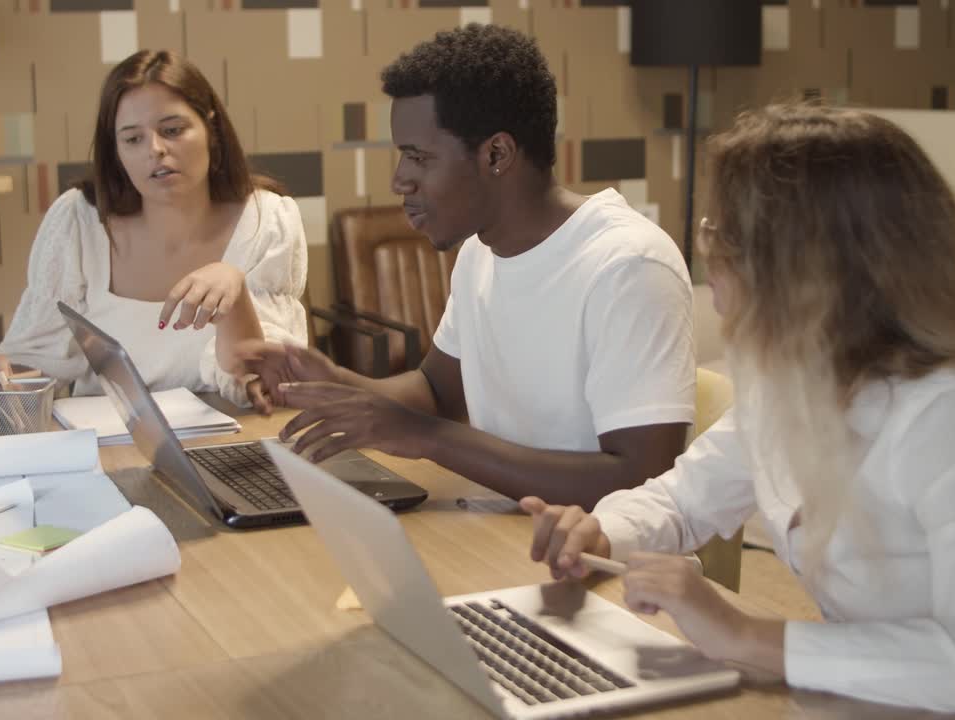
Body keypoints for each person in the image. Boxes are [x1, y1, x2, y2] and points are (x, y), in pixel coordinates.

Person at [523, 104, 955, 719]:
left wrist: (745, 634)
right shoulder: (796, 381)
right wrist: (602, 531)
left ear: (801, 271)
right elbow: (684, 500)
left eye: (719, 240)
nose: (711, 267)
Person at [243, 24, 695, 510]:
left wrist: (428, 438)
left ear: (496, 154)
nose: (399, 181)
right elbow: (436, 393)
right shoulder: (479, 253)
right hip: (504, 528)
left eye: (418, 157)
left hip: (597, 551)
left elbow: (641, 481)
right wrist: (335, 381)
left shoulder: (628, 267)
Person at [0, 49, 307, 411]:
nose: (155, 150)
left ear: (211, 129)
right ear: (116, 151)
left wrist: (236, 296)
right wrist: (0, 376)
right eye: (132, 139)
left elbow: (266, 385)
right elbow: (38, 358)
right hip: (99, 439)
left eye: (172, 130)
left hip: (227, 437)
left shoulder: (267, 221)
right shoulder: (79, 220)